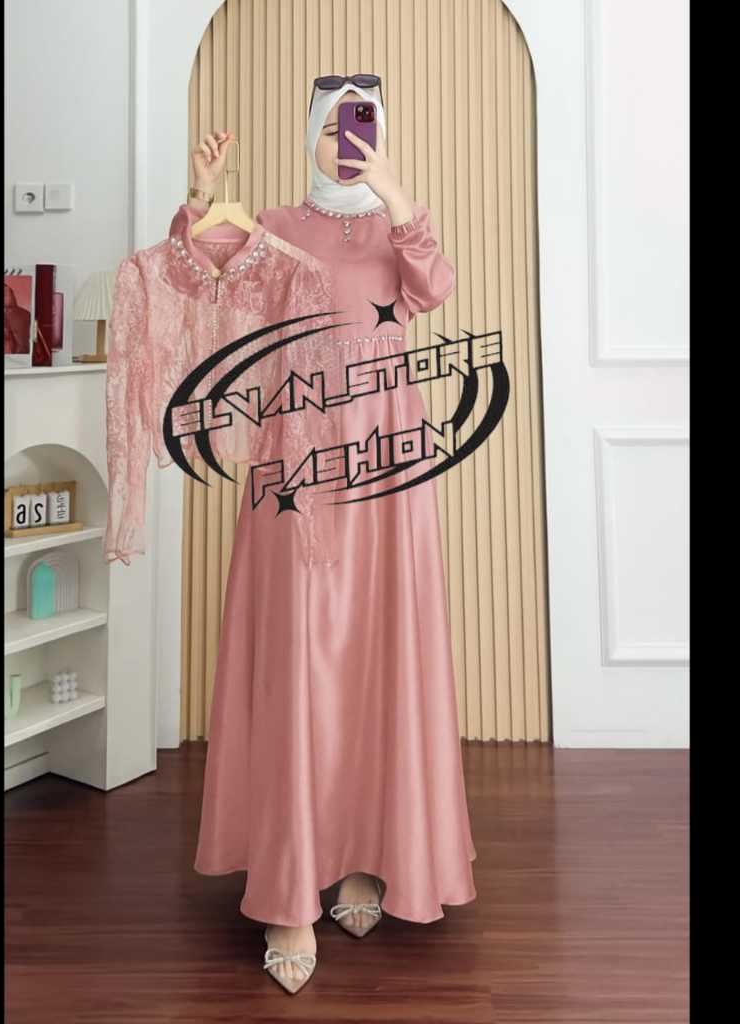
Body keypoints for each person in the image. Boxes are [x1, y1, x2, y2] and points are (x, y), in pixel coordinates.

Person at [171, 76, 477, 995]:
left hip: (385, 463)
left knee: (378, 651)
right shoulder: (270, 226)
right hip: (296, 461)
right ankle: (290, 892)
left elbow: (434, 291)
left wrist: (396, 193)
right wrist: (199, 198)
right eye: (333, 125)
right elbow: (200, 288)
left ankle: (363, 855)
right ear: (309, 131)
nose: (347, 140)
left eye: (362, 124)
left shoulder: (398, 227)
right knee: (299, 654)